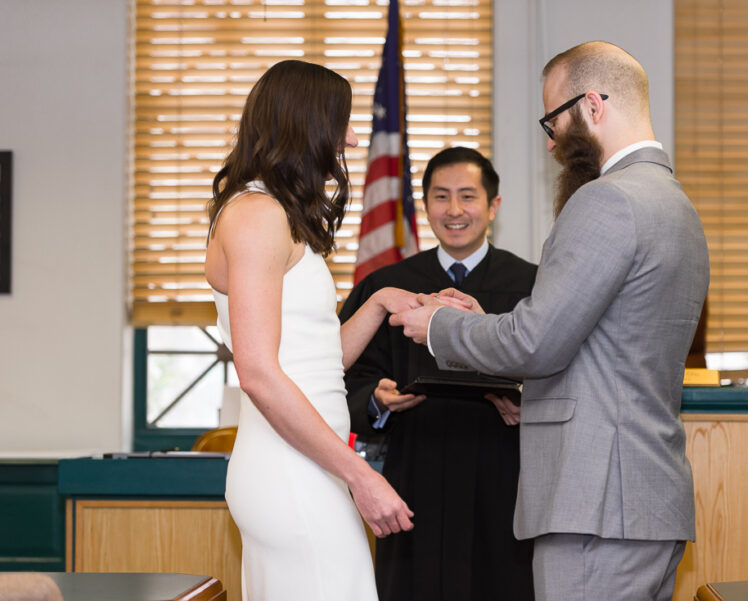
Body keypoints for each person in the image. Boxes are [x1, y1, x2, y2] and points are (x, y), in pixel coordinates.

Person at [390, 41, 710, 601]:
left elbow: (537, 345)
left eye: (551, 119)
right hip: (642, 502)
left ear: (592, 105)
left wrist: (440, 325)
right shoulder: (674, 202)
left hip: (597, 504)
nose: (550, 141)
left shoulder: (607, 200)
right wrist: (490, 321)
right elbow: (599, 341)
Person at [204, 59, 416, 601]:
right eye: (341, 121)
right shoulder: (256, 215)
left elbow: (314, 363)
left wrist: (379, 304)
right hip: (290, 472)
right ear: (307, 123)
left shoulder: (271, 212)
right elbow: (257, 372)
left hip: (305, 466)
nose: (350, 136)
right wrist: (363, 476)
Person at [340, 147, 537, 601]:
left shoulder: (531, 285)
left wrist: (525, 396)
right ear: (424, 204)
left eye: (467, 196)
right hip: (416, 474)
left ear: (493, 206)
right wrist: (377, 399)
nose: (453, 210)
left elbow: (562, 367)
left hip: (503, 474)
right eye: (440, 196)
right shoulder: (386, 286)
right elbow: (345, 376)